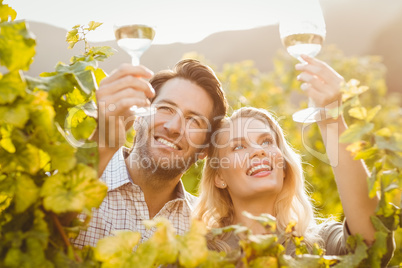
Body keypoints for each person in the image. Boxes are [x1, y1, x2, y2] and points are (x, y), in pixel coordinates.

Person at [193, 55, 394, 263]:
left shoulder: (319, 243)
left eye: (266, 142)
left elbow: (372, 246)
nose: (258, 151)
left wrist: (332, 120)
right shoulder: (200, 252)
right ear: (219, 177)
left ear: (284, 166)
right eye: (239, 146)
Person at [72, 59, 228, 248]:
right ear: (138, 118)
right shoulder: (76, 181)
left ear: (204, 149)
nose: (173, 127)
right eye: (165, 109)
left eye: (194, 120)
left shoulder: (204, 232)